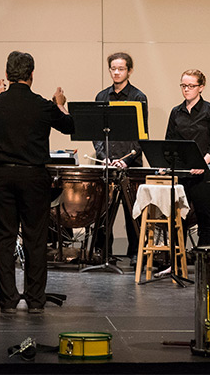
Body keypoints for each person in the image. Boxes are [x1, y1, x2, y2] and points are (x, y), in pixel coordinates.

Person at [0, 51, 74, 314]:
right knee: (36, 239)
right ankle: (35, 301)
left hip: (3, 177)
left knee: (5, 240)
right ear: (32, 75)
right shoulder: (43, 105)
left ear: (7, 75)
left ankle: (8, 301)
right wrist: (60, 104)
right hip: (34, 178)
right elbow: (68, 126)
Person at [93, 52, 148, 266]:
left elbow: (141, 135)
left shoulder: (138, 97)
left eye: (121, 69)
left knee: (132, 211)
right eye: (113, 69)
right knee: (103, 210)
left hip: (130, 163)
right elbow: (97, 133)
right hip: (107, 163)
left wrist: (126, 160)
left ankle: (135, 253)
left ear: (129, 71)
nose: (116, 72)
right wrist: (104, 157)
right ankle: (103, 252)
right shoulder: (101, 97)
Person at [165, 69, 210, 246]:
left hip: (202, 173)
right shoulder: (176, 112)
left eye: (191, 86)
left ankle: (205, 261)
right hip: (182, 173)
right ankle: (175, 261)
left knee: (204, 217)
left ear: (201, 87)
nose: (186, 89)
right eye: (183, 85)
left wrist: (201, 163)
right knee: (177, 219)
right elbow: (170, 141)